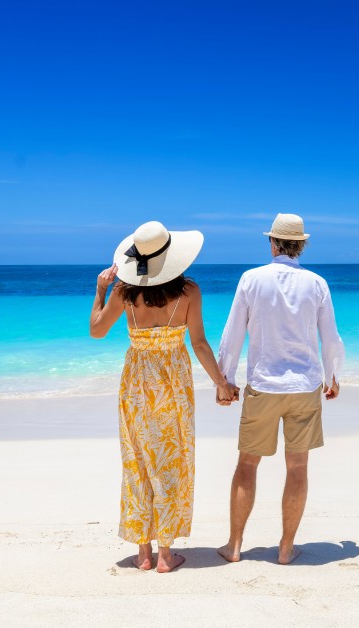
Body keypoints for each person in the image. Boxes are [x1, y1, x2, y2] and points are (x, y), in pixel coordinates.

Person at [89, 221, 235, 573]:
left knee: (138, 460)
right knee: (171, 460)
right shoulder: (189, 292)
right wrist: (221, 383)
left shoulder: (124, 292)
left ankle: (143, 553)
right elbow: (199, 344)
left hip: (137, 382)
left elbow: (96, 330)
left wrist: (100, 289)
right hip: (173, 382)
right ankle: (166, 555)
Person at [215, 213, 345, 565]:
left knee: (247, 464)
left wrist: (224, 379)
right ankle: (286, 548)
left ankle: (235, 545)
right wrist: (333, 376)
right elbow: (330, 337)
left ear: (272, 243)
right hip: (304, 386)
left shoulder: (251, 279)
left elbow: (233, 334)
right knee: (298, 467)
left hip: (264, 385)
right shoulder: (317, 284)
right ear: (301, 245)